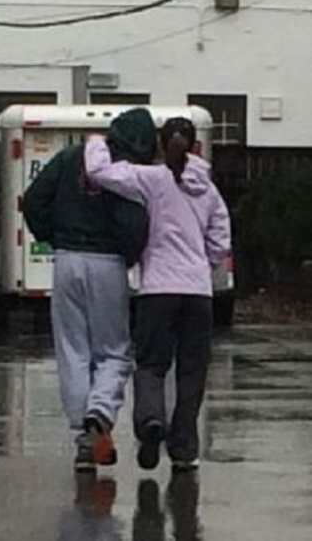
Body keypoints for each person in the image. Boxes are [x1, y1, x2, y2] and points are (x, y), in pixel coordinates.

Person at [84, 116, 231, 472]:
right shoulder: (209, 190)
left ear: (162, 145)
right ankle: (184, 449)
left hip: (158, 290)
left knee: (151, 364)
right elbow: (220, 239)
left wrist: (95, 142)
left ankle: (151, 420)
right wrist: (202, 264)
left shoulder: (151, 179)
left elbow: (99, 172)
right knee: (192, 371)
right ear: (196, 146)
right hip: (197, 293)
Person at [24, 108, 157, 471]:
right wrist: (131, 256)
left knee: (73, 349)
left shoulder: (70, 158)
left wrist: (53, 235)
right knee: (113, 350)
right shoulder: (129, 173)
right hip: (108, 262)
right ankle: (100, 411)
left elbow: (34, 200)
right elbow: (134, 225)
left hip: (67, 259)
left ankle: (83, 438)